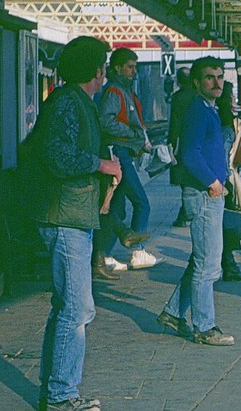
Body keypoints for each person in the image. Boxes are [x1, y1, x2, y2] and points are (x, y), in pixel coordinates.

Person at [32, 36, 122, 410]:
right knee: (77, 309)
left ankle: (54, 390)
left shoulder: (74, 100)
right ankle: (61, 397)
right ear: (95, 70)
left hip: (72, 214)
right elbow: (57, 154)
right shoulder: (69, 101)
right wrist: (101, 165)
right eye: (102, 66)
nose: (104, 74)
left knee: (67, 305)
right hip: (65, 217)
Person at [157, 56, 235, 346]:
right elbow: (190, 153)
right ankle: (204, 326)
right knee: (208, 265)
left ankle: (173, 313)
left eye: (220, 77)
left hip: (207, 191)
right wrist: (213, 182)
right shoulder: (199, 111)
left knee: (199, 260)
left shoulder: (207, 109)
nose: (216, 83)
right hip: (203, 193)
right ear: (197, 82)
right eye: (209, 78)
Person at [96, 48, 158, 272]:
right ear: (117, 68)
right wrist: (132, 133)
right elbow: (105, 122)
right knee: (141, 201)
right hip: (117, 153)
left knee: (117, 208)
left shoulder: (124, 91)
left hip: (122, 152)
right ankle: (138, 250)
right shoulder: (114, 92)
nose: (134, 71)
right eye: (130, 67)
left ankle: (104, 254)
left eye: (135, 67)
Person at [216, 81, 241, 282]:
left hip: (221, 177)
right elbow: (225, 154)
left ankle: (227, 262)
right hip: (225, 178)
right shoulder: (228, 125)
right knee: (227, 221)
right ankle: (228, 264)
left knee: (223, 222)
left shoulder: (217, 119)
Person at [168, 66, 193, 228]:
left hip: (182, 142)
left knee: (184, 179)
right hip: (196, 139)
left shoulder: (178, 97)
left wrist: (171, 143)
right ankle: (186, 211)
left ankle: (185, 212)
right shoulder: (198, 95)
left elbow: (175, 123)